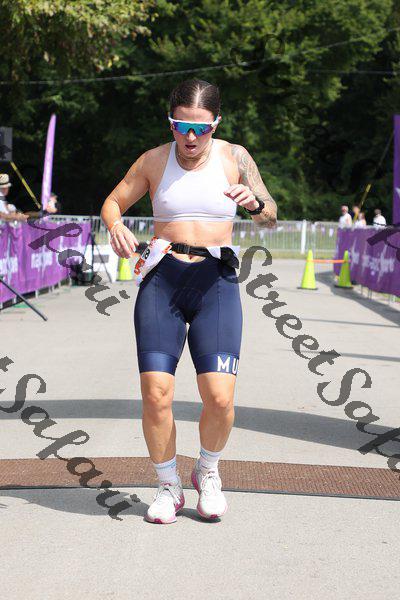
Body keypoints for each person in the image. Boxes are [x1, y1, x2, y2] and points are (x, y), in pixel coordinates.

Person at [100, 78, 277, 524]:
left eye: (201, 128)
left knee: (219, 397)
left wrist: (255, 204)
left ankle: (207, 471)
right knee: (156, 393)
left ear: (216, 123)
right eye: (182, 126)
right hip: (163, 279)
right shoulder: (154, 161)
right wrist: (115, 225)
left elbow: (271, 216)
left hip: (215, 280)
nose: (191, 137)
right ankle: (167, 485)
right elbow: (112, 202)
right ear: (171, 123)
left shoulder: (235, 158)